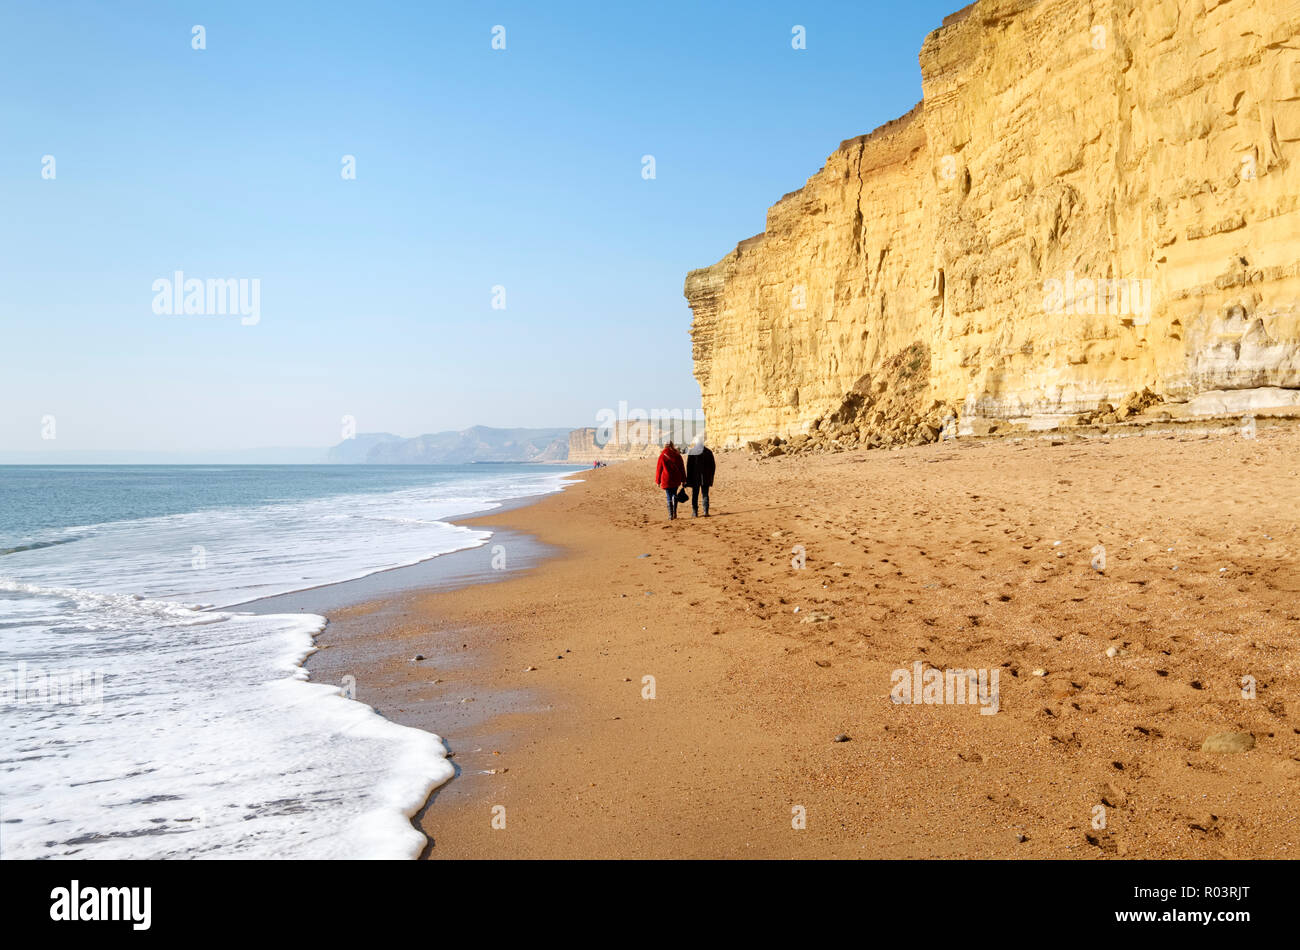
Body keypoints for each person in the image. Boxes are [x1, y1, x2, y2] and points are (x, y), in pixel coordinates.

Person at [685, 432, 715, 517]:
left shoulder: (692, 452)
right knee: (705, 494)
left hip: (695, 478)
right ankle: (705, 511)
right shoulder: (708, 452)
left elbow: (689, 467)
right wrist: (711, 476)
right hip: (706, 477)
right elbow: (713, 466)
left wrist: (688, 478)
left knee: (695, 494)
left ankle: (695, 512)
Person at [654, 440, 686, 520]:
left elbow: (659, 469)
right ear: (672, 445)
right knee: (674, 495)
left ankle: (670, 515)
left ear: (665, 446)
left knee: (668, 496)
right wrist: (683, 479)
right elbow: (682, 468)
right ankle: (674, 513)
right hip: (676, 479)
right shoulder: (677, 455)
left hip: (666, 479)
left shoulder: (662, 455)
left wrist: (658, 481)